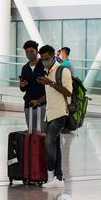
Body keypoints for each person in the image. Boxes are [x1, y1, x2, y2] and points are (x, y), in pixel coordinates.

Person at [36, 45, 73, 189]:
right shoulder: (47, 71)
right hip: (49, 113)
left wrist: (50, 83)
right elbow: (51, 94)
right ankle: (58, 177)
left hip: (60, 113)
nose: (44, 61)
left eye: (46, 58)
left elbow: (68, 92)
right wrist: (38, 101)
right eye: (42, 59)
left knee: (49, 142)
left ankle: (51, 175)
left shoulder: (63, 71)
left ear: (53, 56)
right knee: (55, 145)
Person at [20, 41, 47, 132]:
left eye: (32, 51)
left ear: (37, 52)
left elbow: (49, 85)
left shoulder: (44, 65)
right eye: (27, 52)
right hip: (29, 104)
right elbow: (23, 89)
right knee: (31, 131)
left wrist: (39, 101)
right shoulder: (25, 68)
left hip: (43, 103)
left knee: (43, 131)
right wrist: (22, 85)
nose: (29, 54)